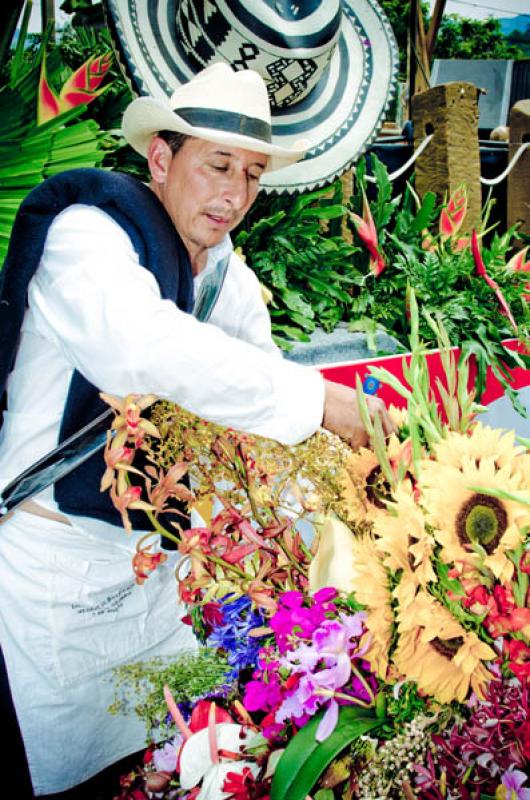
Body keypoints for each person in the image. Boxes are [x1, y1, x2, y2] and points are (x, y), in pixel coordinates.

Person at [0, 63, 393, 797]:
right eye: (217, 166)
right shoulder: (89, 235)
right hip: (56, 569)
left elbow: (258, 401)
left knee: (169, 753)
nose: (236, 195)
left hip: (155, 573)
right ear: (160, 157)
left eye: (251, 174)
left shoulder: (225, 276)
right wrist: (327, 402)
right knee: (64, 770)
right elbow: (143, 345)